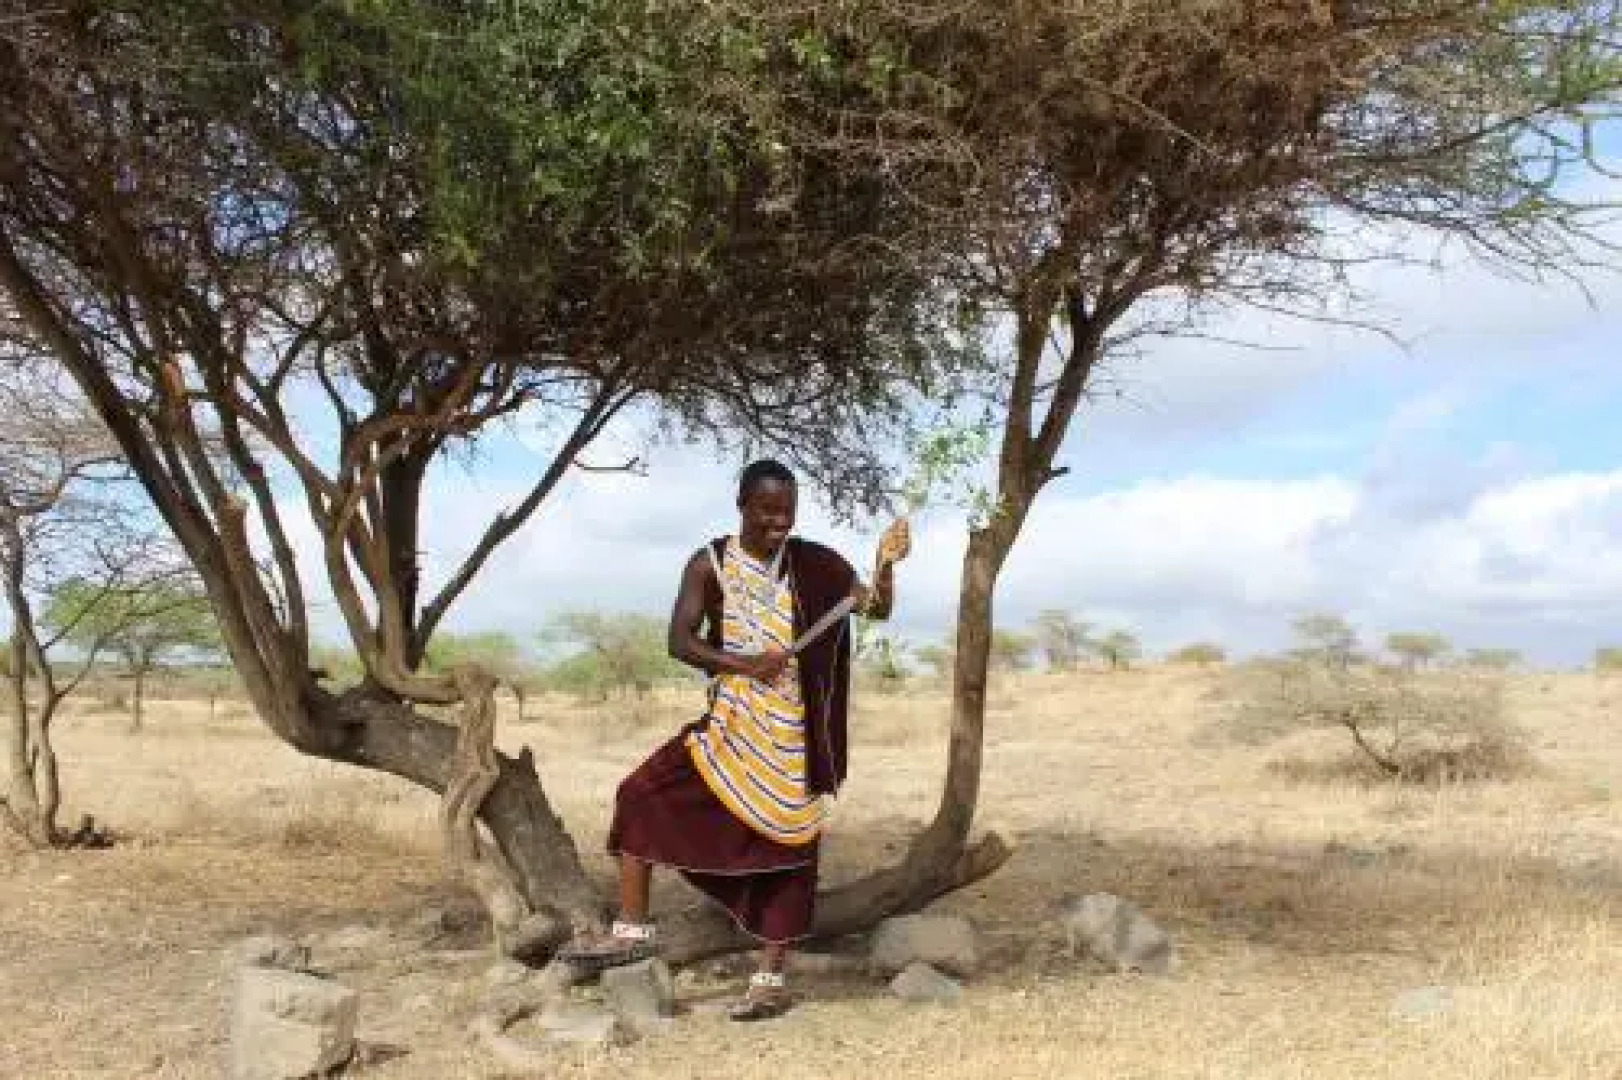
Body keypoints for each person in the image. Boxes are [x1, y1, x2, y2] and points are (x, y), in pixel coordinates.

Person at [557, 458, 910, 1020]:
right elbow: (679, 641)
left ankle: (770, 979)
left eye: (787, 512)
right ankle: (631, 930)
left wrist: (885, 566)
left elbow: (875, 609)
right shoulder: (710, 564)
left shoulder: (815, 565)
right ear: (742, 505)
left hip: (791, 731)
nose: (778, 522)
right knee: (640, 793)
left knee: (789, 849)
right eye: (767, 510)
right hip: (730, 724)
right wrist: (744, 664)